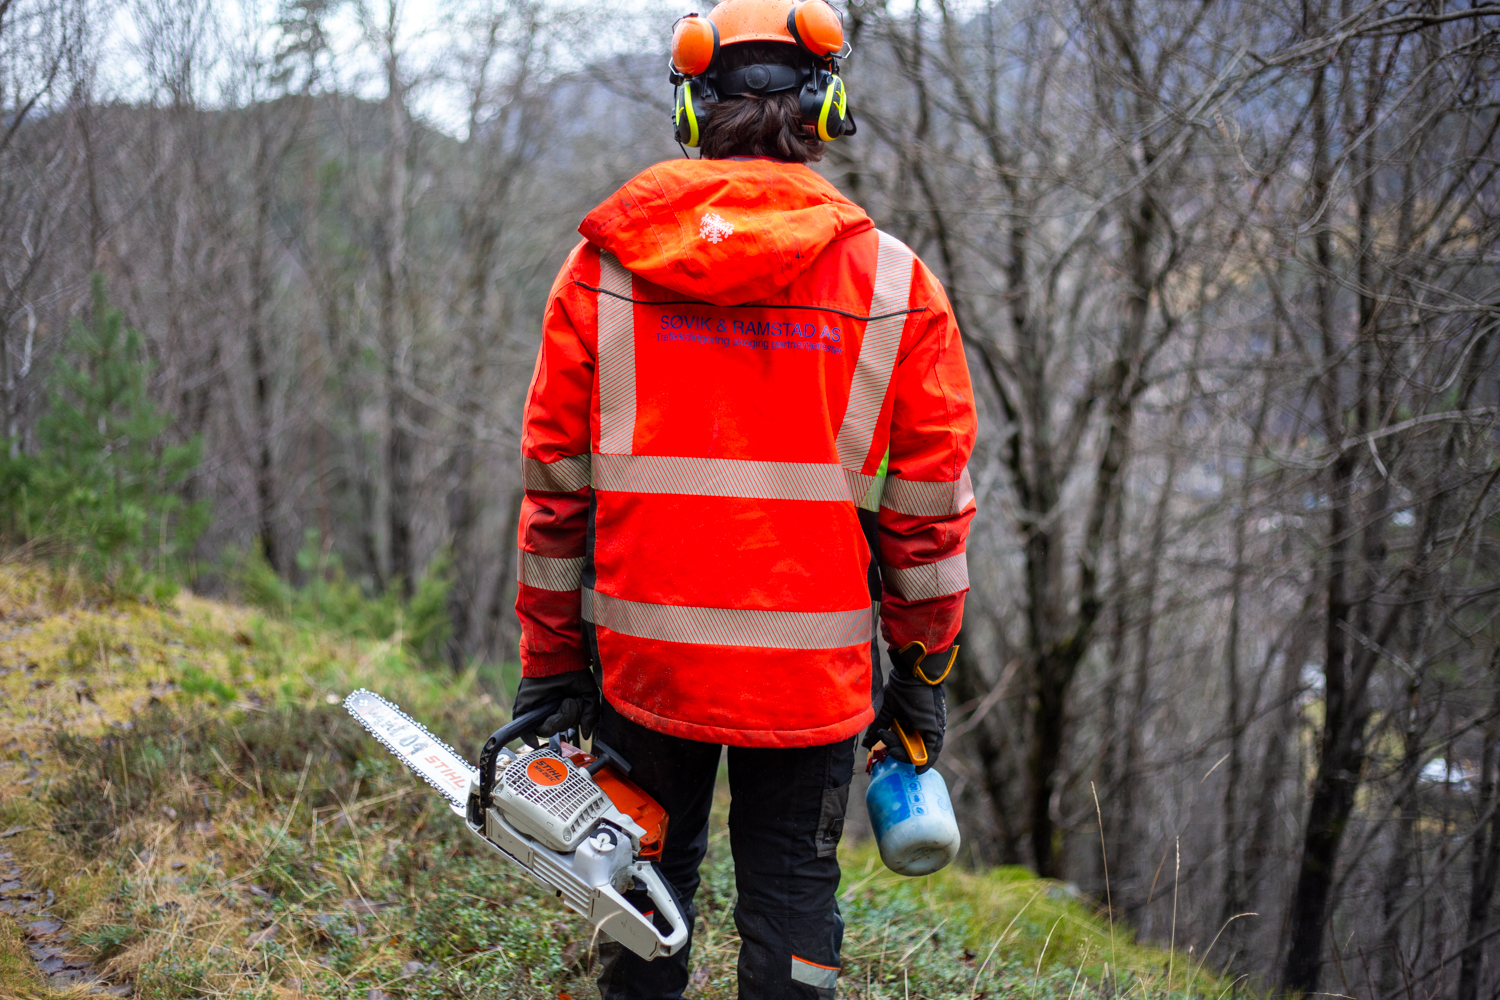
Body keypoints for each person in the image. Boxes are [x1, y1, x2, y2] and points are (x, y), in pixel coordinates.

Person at [511, 1, 975, 995]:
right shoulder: (895, 286)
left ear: (692, 109)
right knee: (794, 895)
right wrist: (920, 673)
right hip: (812, 681)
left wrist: (550, 667)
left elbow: (554, 500)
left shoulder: (601, 273)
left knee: (639, 889)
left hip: (646, 665)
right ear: (825, 105)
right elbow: (928, 522)